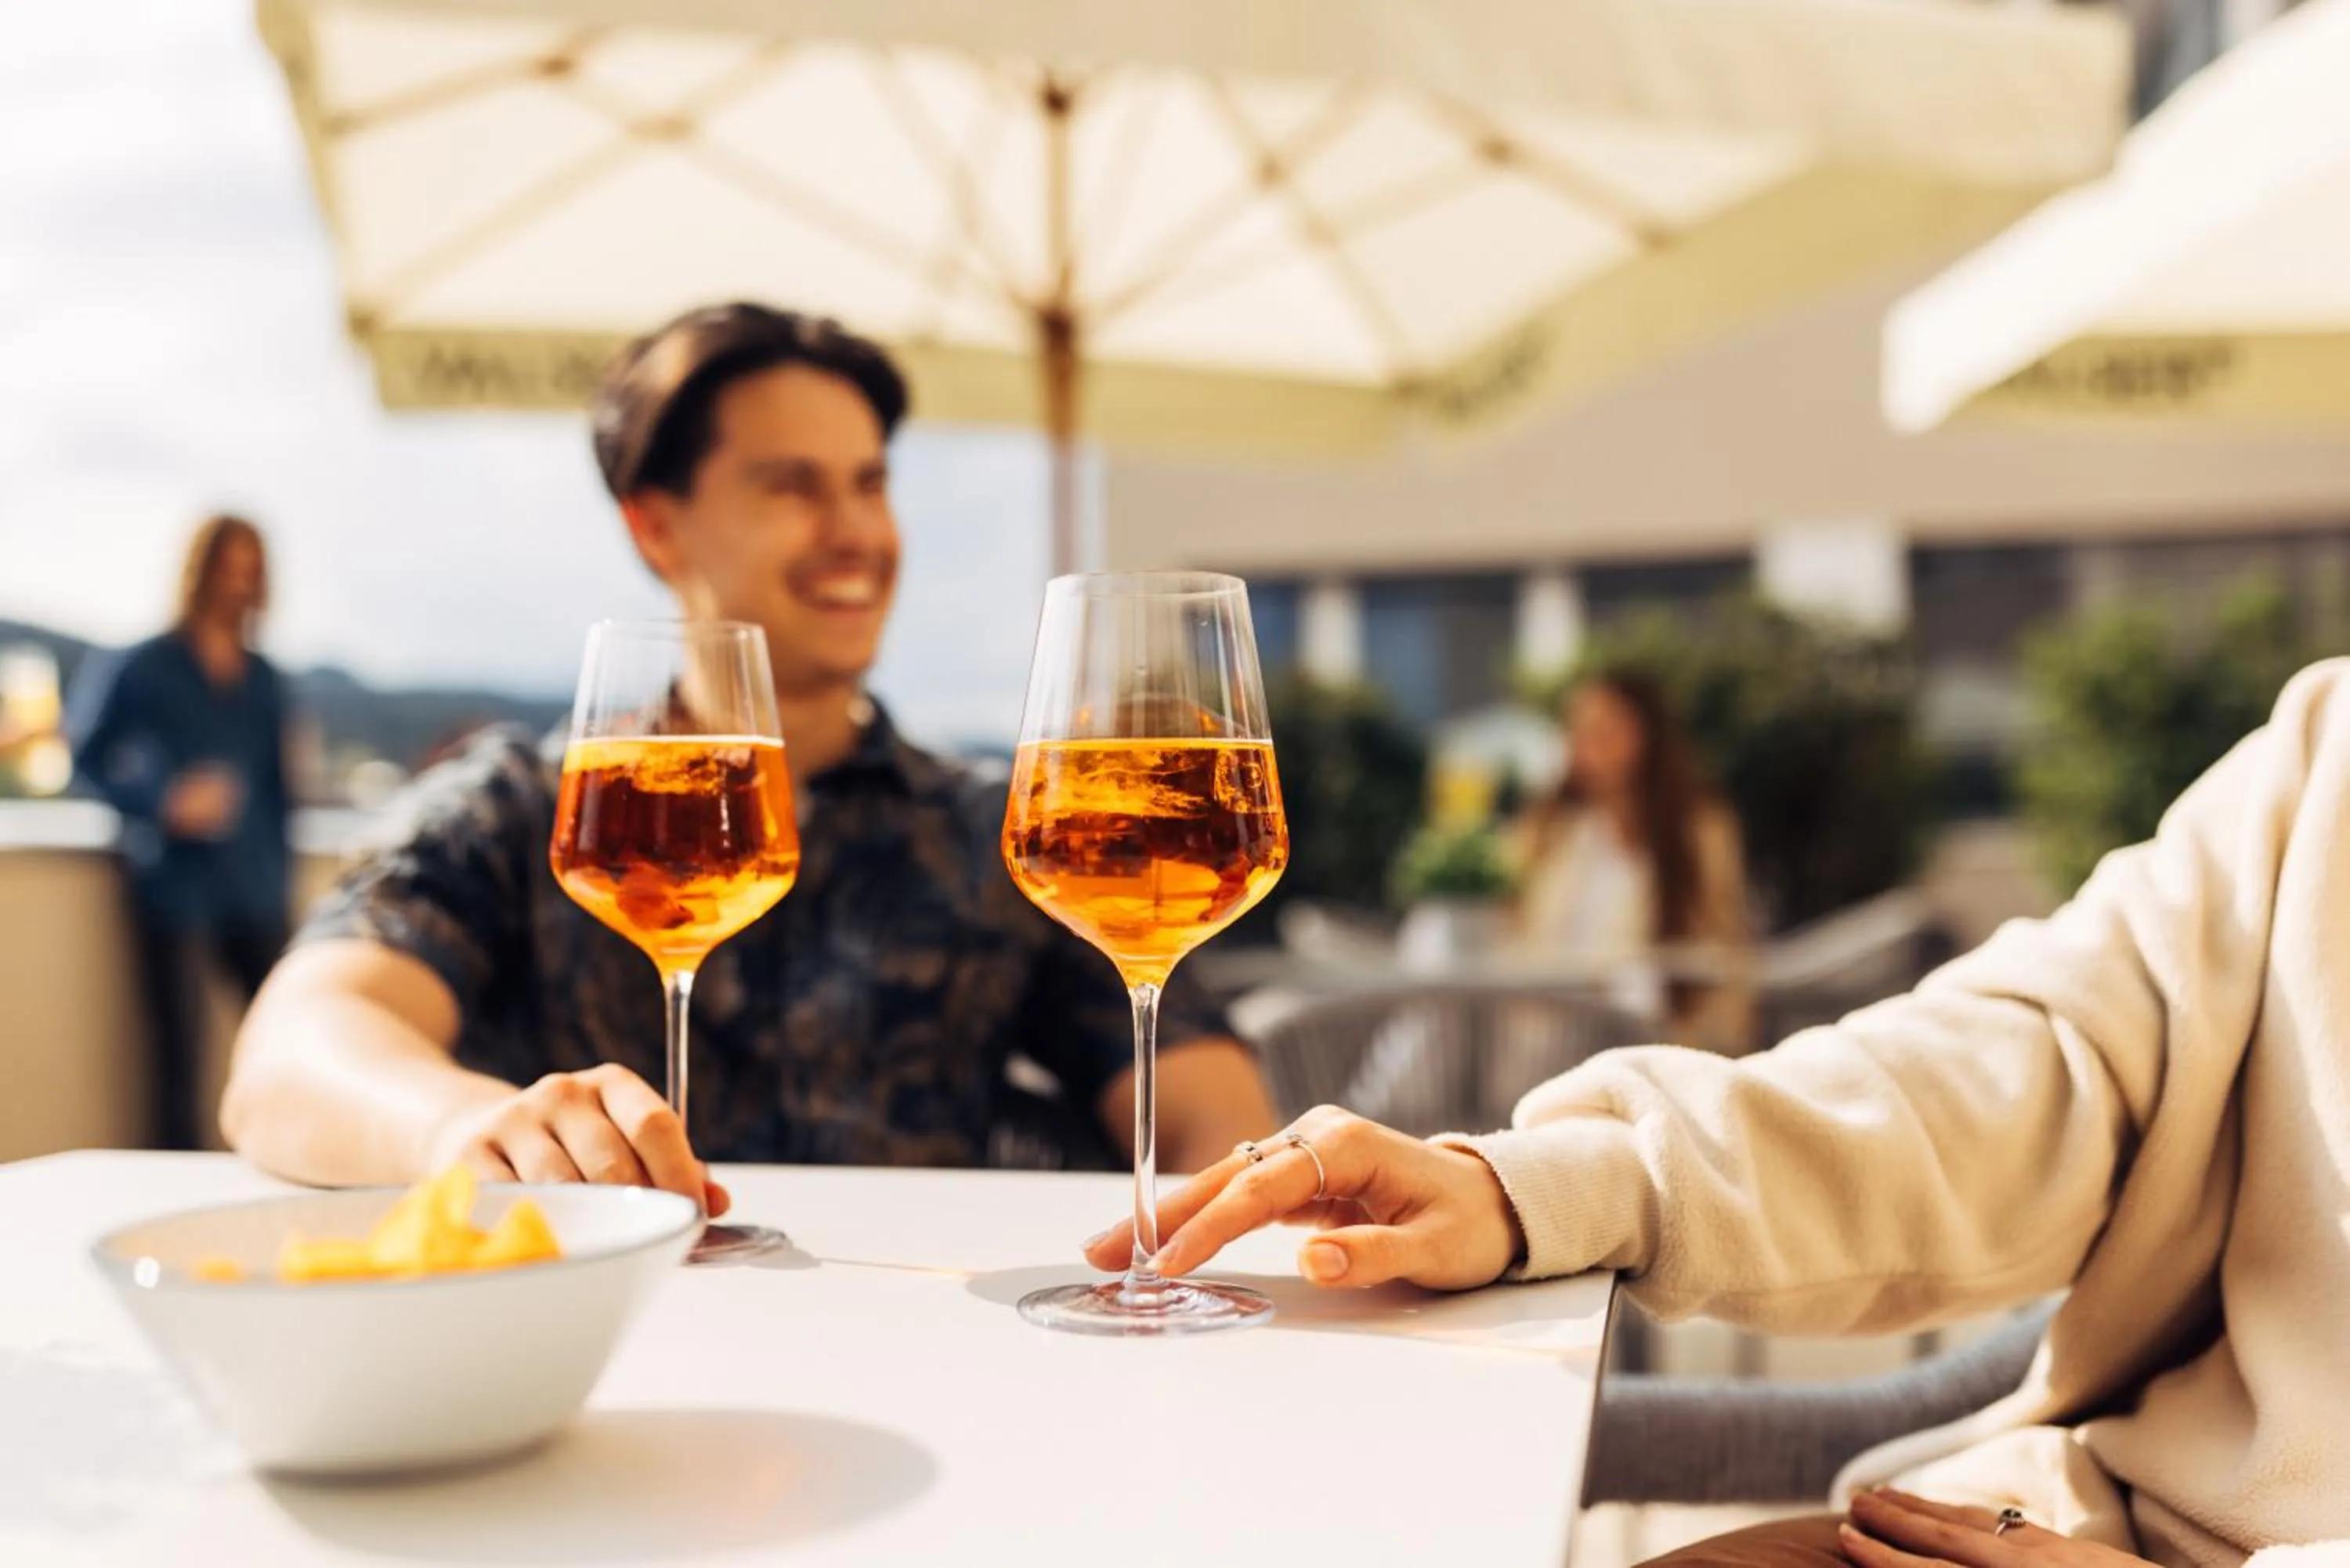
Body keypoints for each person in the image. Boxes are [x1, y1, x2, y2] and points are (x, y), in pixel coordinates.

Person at [1084, 663, 2350, 1566]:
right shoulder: (2324, 754)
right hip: (2079, 1516)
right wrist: (1554, 1182)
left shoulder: (1685, 833)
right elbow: (2030, 1065)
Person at [222, 302, 1274, 1209]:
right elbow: (287, 1060)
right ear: (656, 528)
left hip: (919, 1365)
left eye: (870, 482)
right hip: (601, 1358)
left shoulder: (992, 827)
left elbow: (1210, 1108)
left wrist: (1183, 1255)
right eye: (793, 486)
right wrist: (463, 1127)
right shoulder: (528, 804)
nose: (855, 529)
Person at [69, 514, 292, 1151]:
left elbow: (282, 795)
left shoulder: (265, 680)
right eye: (228, 566)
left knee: (288, 1042)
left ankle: (285, 1170)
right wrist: (162, 801)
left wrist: (281, 889)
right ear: (201, 570)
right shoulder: (140, 664)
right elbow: (84, 752)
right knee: (178, 1066)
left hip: (255, 890)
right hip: (174, 890)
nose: (237, 583)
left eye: (249, 570)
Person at [1514, 668, 1752, 1052]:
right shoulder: (1552, 831)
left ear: (1648, 737)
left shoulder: (1699, 832)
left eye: (1605, 731)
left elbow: (1721, 946)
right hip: (1551, 1027)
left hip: (1655, 1038)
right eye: (1579, 732)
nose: (1588, 747)